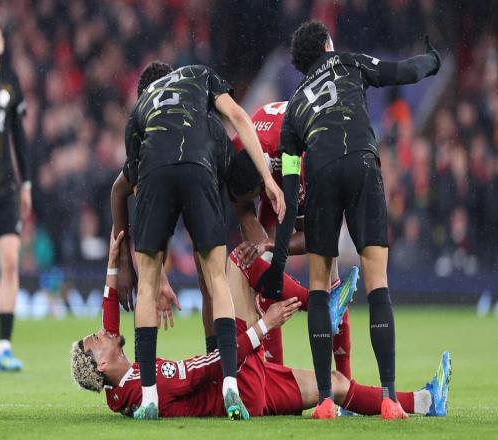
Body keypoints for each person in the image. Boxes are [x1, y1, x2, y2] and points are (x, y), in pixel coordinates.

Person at [256, 21, 441, 419]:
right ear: (327, 45)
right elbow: (400, 72)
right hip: (361, 162)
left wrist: (278, 260)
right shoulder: (347, 62)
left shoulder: (295, 106)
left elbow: (288, 193)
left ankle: (325, 400)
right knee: (378, 283)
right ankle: (389, 399)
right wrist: (432, 61)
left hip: (321, 172)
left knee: (320, 287)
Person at [70, 230, 452, 419]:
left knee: (334, 384)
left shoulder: (121, 387)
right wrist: (263, 326)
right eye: (97, 339)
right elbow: (209, 367)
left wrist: (113, 263)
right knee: (238, 261)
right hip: (239, 383)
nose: (104, 332)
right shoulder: (145, 384)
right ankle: (320, 306)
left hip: (247, 388)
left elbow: (109, 319)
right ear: (101, 363)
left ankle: (425, 402)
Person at [123, 61, 285, 420]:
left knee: (146, 286)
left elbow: (136, 184)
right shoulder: (198, 76)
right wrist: (267, 179)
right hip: (199, 166)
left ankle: (148, 397)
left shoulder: (139, 109)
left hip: (155, 173)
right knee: (216, 279)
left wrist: (157, 272)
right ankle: (229, 383)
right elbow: (238, 116)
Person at [225, 102, 358, 382]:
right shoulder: (237, 151)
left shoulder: (298, 154)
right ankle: (275, 378)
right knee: (262, 272)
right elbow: (243, 207)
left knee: (327, 273)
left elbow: (317, 236)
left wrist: (270, 244)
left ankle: (344, 384)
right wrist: (262, 255)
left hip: (317, 156)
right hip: (275, 163)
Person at [0, 22, 31, 371]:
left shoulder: (10, 82)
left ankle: (4, 346)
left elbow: (19, 136)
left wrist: (26, 184)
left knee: (9, 261)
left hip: (6, 187)